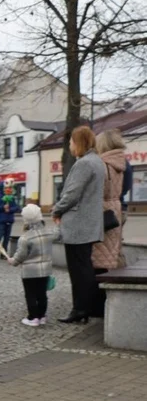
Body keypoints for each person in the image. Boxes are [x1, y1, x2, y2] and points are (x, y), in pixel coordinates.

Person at [51, 125, 105, 324]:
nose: (71, 146)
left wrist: (56, 209)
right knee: (85, 268)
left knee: (78, 270)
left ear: (79, 142)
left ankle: (80, 309)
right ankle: (85, 308)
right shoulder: (97, 162)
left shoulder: (84, 164)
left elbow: (72, 194)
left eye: (72, 142)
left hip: (78, 226)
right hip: (89, 224)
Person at [91, 128, 129, 314]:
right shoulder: (123, 163)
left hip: (102, 212)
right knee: (111, 254)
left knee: (98, 257)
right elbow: (125, 188)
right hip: (116, 210)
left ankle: (98, 304)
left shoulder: (101, 164)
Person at [9, 204, 56, 326]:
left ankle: (33, 317)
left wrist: (13, 261)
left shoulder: (25, 238)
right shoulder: (49, 233)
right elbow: (59, 233)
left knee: (30, 295)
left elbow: (21, 255)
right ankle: (42, 316)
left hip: (29, 272)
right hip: (45, 270)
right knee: (42, 294)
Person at [0, 183, 20, 259]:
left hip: (9, 219)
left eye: (9, 188)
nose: (8, 189)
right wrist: (2, 207)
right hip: (0, 220)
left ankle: (3, 254)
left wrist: (9, 210)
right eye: (6, 188)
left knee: (6, 238)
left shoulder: (11, 197)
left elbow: (16, 207)